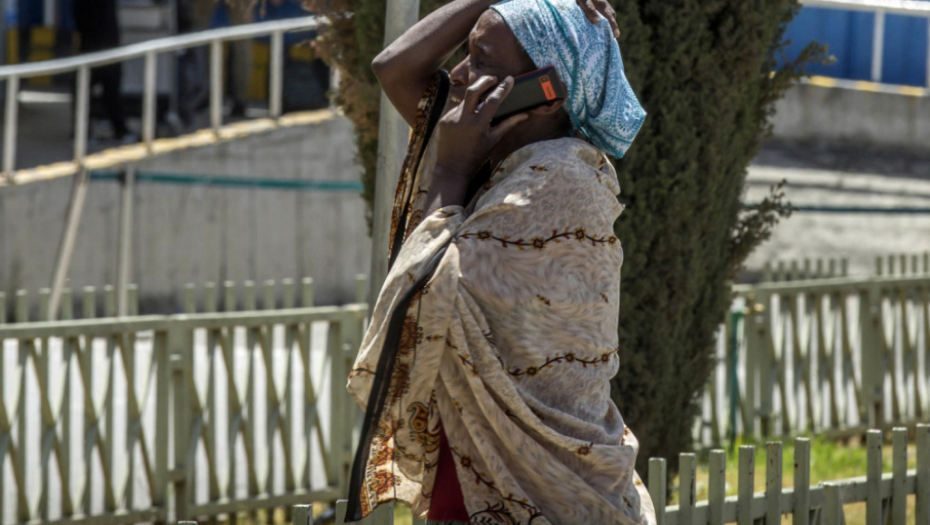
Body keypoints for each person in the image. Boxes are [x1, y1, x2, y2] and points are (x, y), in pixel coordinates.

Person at [345, 0, 652, 524]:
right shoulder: (492, 156)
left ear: (545, 93)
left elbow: (421, 302)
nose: (460, 74)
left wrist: (449, 171)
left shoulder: (558, 182)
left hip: (532, 485)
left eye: (482, 59)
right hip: (474, 465)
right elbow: (393, 68)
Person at [73, 0, 130, 141]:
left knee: (103, 92)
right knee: (101, 91)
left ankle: (117, 129)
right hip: (97, 48)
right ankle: (117, 130)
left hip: (96, 46)